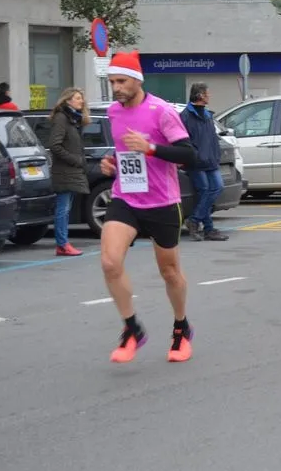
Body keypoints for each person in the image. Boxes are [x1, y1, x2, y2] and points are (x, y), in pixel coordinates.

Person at [99, 51, 200, 364]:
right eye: (112, 81)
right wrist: (111, 163)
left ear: (137, 80)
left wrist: (151, 148)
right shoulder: (113, 112)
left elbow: (189, 154)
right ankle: (132, 329)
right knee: (110, 262)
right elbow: (124, 152)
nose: (116, 87)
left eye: (121, 81)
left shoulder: (161, 111)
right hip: (126, 197)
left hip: (162, 201)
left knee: (169, 272)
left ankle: (181, 328)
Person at [180, 83, 229, 242]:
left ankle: (194, 220)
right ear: (200, 95)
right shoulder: (186, 116)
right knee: (205, 191)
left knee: (217, 187)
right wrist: (193, 155)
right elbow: (183, 140)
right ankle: (208, 229)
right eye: (208, 93)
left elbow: (212, 138)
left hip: (210, 160)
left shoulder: (207, 115)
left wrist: (216, 155)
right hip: (196, 162)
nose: (209, 96)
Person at [48, 87, 90, 257]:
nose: (81, 101)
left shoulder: (73, 119)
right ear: (68, 100)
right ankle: (62, 244)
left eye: (81, 98)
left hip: (72, 171)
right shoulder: (62, 118)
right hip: (64, 172)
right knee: (63, 209)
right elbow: (54, 145)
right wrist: (74, 159)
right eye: (78, 98)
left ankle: (63, 242)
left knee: (66, 208)